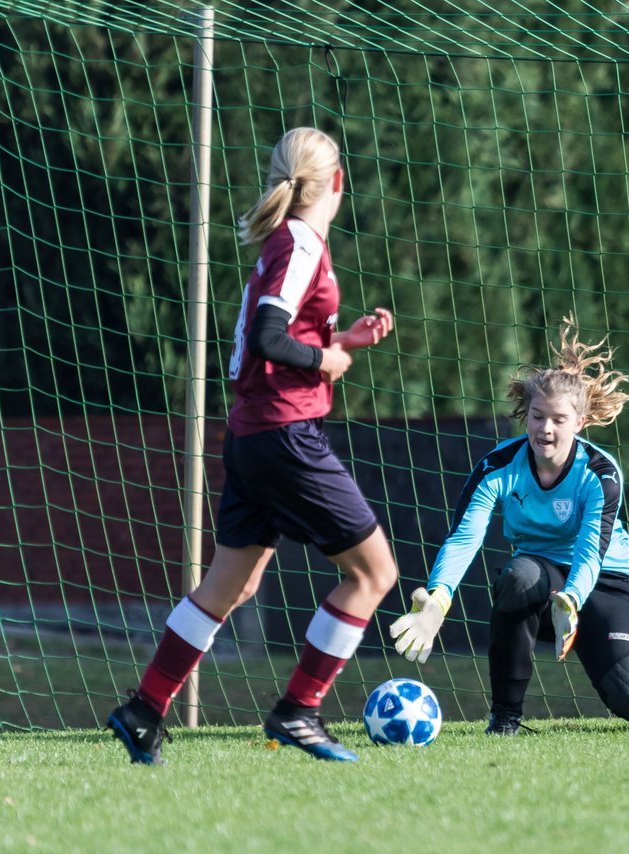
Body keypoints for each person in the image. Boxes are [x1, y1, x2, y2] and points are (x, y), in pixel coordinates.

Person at [107, 127, 398, 764]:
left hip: (254, 433)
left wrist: (342, 343)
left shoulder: (287, 243)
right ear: (339, 183)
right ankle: (300, 709)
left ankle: (144, 709)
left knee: (228, 587)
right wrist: (325, 358)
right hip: (283, 436)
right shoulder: (298, 244)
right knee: (376, 573)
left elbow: (276, 338)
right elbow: (269, 339)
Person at [389, 317, 629, 734]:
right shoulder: (497, 466)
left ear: (580, 421)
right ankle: (505, 720)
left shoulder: (600, 472)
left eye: (558, 418)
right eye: (538, 416)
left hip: (603, 582)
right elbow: (465, 537)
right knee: (518, 577)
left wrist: (572, 599)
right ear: (527, 414)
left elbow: (592, 550)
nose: (546, 429)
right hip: (541, 578)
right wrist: (439, 598)